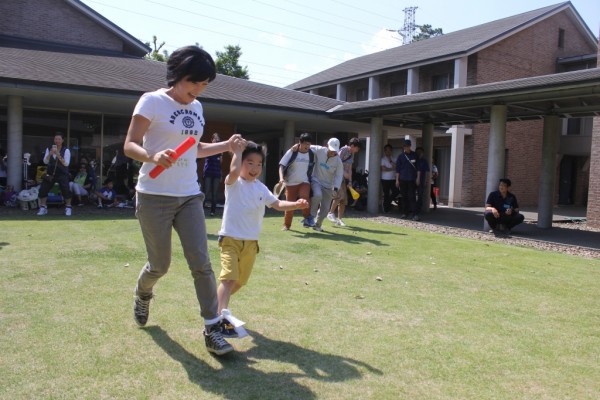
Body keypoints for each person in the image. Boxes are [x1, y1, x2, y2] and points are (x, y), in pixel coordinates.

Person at [123, 45, 242, 356]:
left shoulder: (197, 107)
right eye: (195, 82)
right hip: (153, 196)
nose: (199, 90)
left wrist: (226, 145)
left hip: (189, 195)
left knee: (201, 264)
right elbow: (130, 145)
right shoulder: (152, 101)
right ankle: (143, 292)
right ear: (178, 75)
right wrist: (152, 156)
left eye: (205, 84)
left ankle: (212, 329)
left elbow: (194, 148)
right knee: (160, 265)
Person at [216, 141, 308, 337]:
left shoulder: (261, 188)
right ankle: (220, 316)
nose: (255, 168)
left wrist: (296, 204)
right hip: (230, 239)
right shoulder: (233, 183)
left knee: (239, 282)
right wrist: (237, 152)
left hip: (251, 243)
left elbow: (277, 204)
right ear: (240, 162)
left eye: (259, 164)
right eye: (249, 162)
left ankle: (216, 304)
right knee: (229, 278)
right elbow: (233, 171)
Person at [277, 132, 315, 230]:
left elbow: (320, 149)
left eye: (309, 144)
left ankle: (307, 218)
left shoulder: (311, 152)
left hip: (304, 181)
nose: (307, 146)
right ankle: (287, 225)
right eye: (305, 144)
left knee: (304, 197)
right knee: (290, 205)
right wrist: (281, 178)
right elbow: (281, 165)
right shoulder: (292, 152)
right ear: (300, 143)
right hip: (290, 183)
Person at [307, 138, 344, 232]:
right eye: (331, 150)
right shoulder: (319, 150)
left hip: (328, 186)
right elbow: (307, 146)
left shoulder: (338, 161)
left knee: (326, 209)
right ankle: (311, 217)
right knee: (317, 195)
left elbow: (339, 175)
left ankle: (317, 225)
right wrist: (296, 147)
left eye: (335, 151)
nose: (332, 153)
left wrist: (336, 188)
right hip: (316, 180)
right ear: (327, 146)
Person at [36, 133, 73, 216]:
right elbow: (45, 162)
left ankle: (68, 207)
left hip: (62, 173)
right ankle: (43, 207)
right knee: (43, 189)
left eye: (59, 139)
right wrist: (50, 153)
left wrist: (58, 155)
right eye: (56, 139)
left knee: (66, 190)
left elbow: (66, 163)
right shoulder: (49, 148)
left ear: (62, 140)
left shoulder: (66, 150)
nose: (57, 141)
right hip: (50, 173)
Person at [327, 137, 362, 226]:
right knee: (339, 196)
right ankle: (330, 213)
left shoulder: (352, 153)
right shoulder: (344, 150)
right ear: (352, 146)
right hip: (336, 177)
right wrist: (343, 172)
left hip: (343, 179)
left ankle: (339, 220)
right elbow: (336, 163)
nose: (358, 150)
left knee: (344, 200)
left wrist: (350, 181)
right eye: (357, 148)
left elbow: (350, 168)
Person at [395, 139, 418, 220]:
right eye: (404, 146)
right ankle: (405, 213)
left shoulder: (415, 155)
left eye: (407, 146)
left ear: (410, 146)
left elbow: (418, 168)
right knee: (404, 197)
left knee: (412, 196)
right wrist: (397, 180)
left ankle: (415, 214)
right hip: (403, 179)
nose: (406, 147)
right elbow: (398, 169)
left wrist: (418, 178)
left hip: (412, 179)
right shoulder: (400, 156)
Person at [203, 132, 222, 216]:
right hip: (208, 173)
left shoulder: (220, 152)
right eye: (215, 139)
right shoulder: (208, 149)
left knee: (215, 193)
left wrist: (221, 174)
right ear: (212, 140)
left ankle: (213, 211)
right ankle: (201, 210)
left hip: (216, 173)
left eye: (218, 140)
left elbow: (220, 164)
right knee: (206, 192)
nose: (216, 141)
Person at [380, 144, 397, 213]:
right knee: (386, 194)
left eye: (390, 150)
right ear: (384, 151)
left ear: (391, 151)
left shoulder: (394, 159)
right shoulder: (383, 159)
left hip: (393, 179)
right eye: (387, 150)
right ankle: (386, 208)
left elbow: (396, 167)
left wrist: (390, 162)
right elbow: (383, 169)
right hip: (385, 179)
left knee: (396, 192)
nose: (388, 152)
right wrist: (392, 168)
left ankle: (387, 203)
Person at [414, 147, 430, 220]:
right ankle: (412, 209)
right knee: (412, 195)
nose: (418, 153)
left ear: (423, 153)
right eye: (417, 152)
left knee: (420, 196)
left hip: (422, 181)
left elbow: (427, 172)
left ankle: (418, 210)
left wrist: (426, 181)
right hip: (413, 181)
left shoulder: (424, 161)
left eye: (420, 152)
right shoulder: (414, 160)